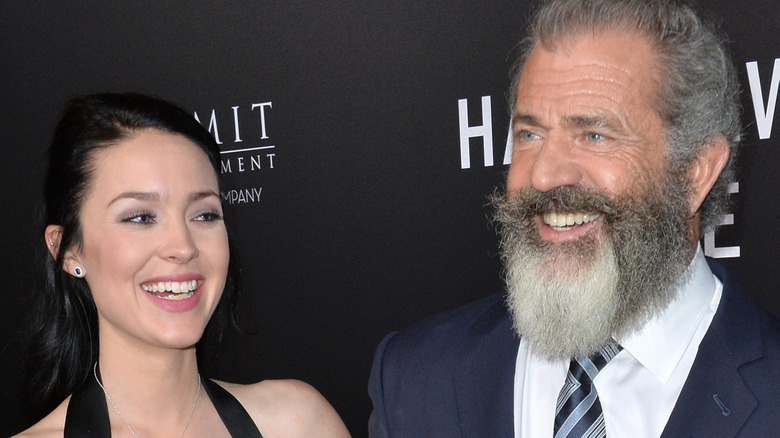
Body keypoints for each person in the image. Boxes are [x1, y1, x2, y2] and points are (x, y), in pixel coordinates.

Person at [368, 0, 780, 437]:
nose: (543, 174)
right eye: (530, 133)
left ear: (695, 171)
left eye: (594, 135)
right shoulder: (413, 380)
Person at [16, 93, 351, 437]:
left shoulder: (298, 423)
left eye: (204, 214)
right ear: (68, 250)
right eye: (141, 217)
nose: (183, 247)